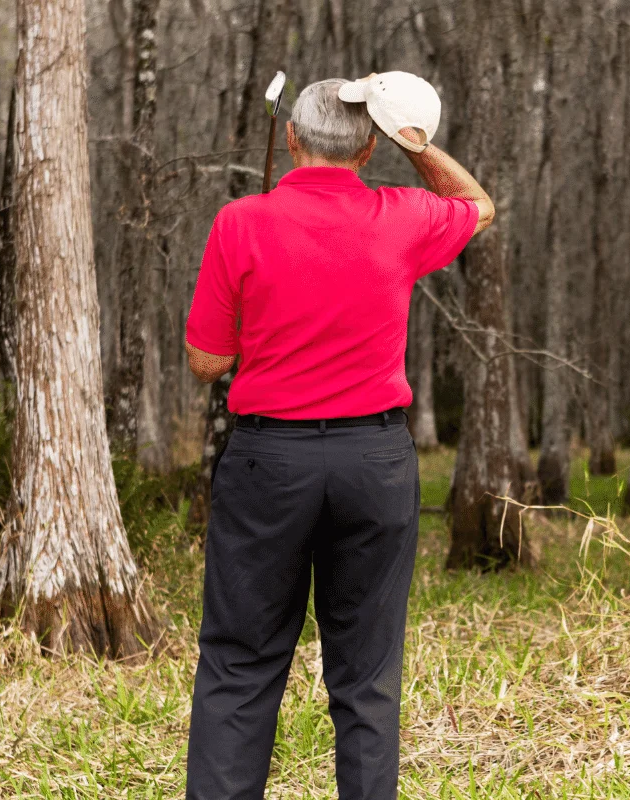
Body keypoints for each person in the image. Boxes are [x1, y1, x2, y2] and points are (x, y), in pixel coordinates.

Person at [181, 77, 493, 800]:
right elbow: (479, 207)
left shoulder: (240, 222)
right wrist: (419, 149)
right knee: (366, 676)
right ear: (371, 144)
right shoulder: (405, 214)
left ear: (292, 139)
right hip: (373, 463)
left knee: (239, 663)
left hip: (269, 463)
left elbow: (207, 363)